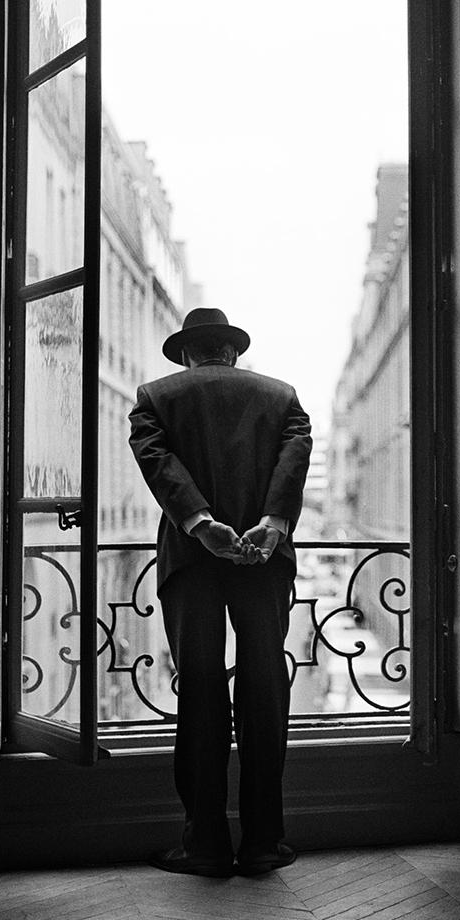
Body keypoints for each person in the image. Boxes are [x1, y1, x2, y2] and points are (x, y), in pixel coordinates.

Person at [128, 306, 312, 878]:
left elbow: (156, 461)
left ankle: (203, 843)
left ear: (186, 352)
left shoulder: (156, 396)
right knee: (264, 692)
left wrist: (202, 523)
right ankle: (264, 843)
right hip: (263, 559)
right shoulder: (282, 396)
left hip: (191, 560)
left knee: (200, 696)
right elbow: (295, 458)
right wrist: (273, 522)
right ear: (232, 351)